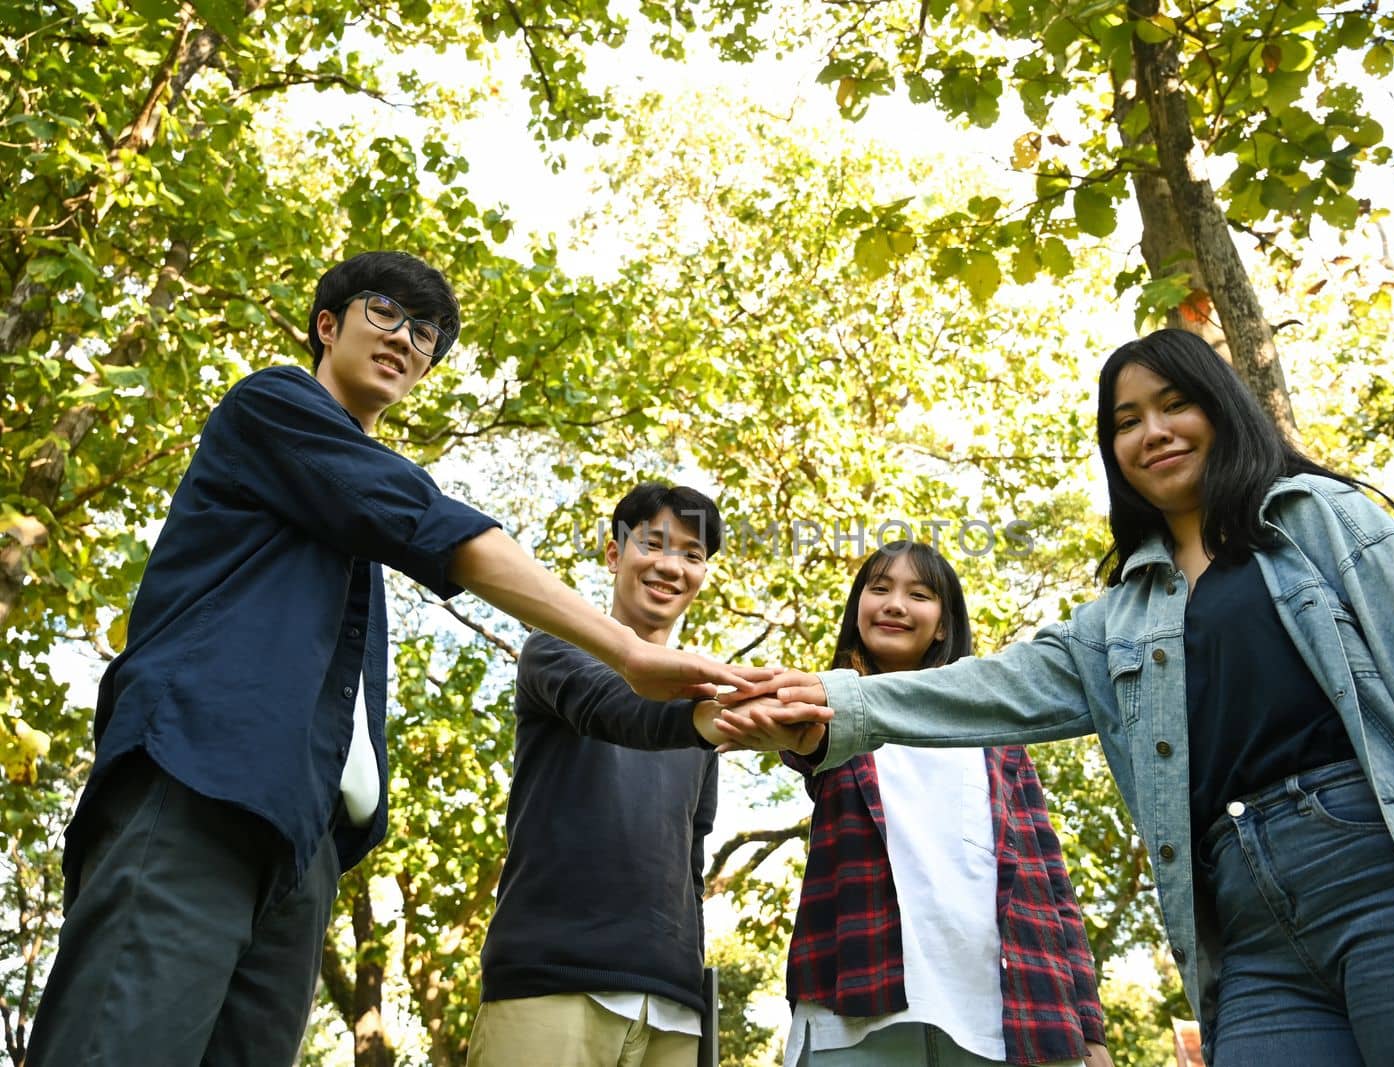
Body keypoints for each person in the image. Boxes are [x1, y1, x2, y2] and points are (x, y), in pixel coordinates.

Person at [720, 329, 1394, 1066]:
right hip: (1243, 924)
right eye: (1126, 421)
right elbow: (991, 685)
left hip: (1384, 876)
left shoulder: (1316, 521)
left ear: (1221, 407)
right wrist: (831, 700)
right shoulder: (1117, 619)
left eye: (1174, 404)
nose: (1153, 433)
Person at [26, 252, 759, 1067]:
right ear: (326, 324)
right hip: (203, 787)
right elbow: (424, 517)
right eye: (385, 311)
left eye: (427, 331)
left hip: (305, 846)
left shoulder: (352, 539)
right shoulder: (274, 408)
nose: (408, 339)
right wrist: (625, 651)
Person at [777, 541, 1112, 1067]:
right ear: (857, 609)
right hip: (858, 1018)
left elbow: (1052, 879)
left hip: (1008, 1017)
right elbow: (796, 744)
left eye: (919, 593)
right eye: (879, 588)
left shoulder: (998, 732)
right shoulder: (827, 712)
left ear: (941, 624)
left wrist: (1089, 1025)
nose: (894, 604)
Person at [469, 482, 736, 1067]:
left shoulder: (702, 712)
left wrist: (691, 983)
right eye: (654, 544)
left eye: (692, 555)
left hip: (673, 1005)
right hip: (550, 983)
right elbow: (619, 707)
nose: (671, 566)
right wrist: (713, 714)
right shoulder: (554, 650)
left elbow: (691, 854)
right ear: (615, 554)